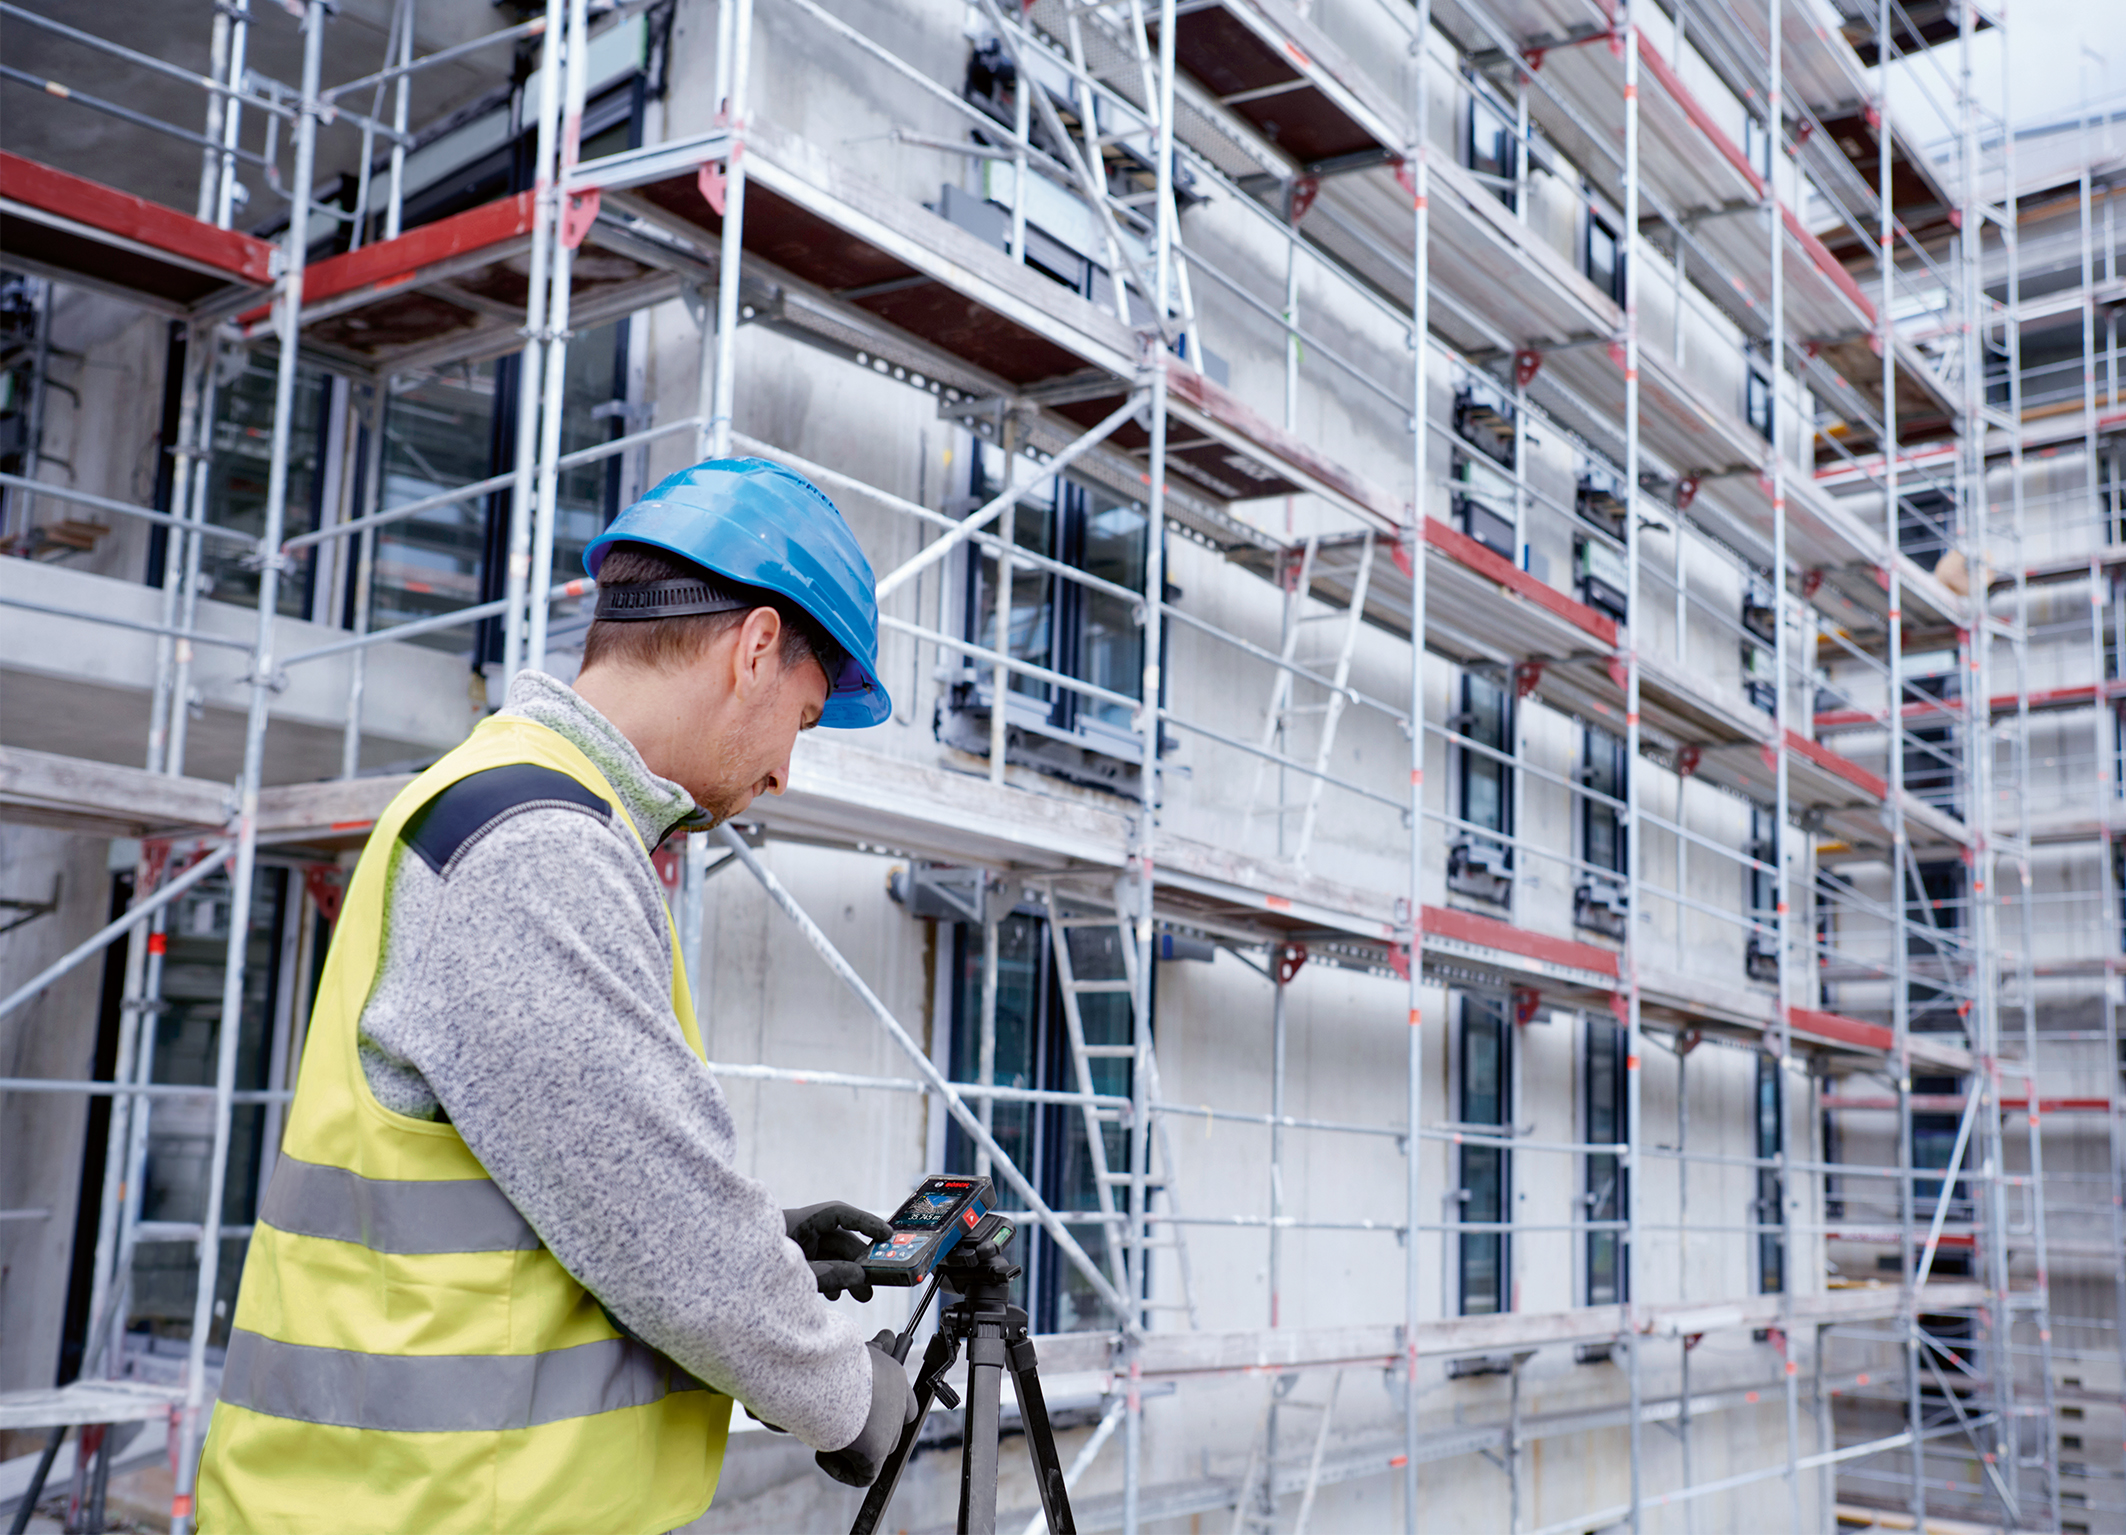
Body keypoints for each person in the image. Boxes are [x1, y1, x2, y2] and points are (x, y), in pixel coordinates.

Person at [198, 459, 918, 1534]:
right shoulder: (536, 843)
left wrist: (763, 1233)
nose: (782, 773)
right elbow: (657, 1227)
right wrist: (846, 1396)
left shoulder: (528, 812)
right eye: (802, 721)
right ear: (755, 646)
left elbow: (567, 1172)